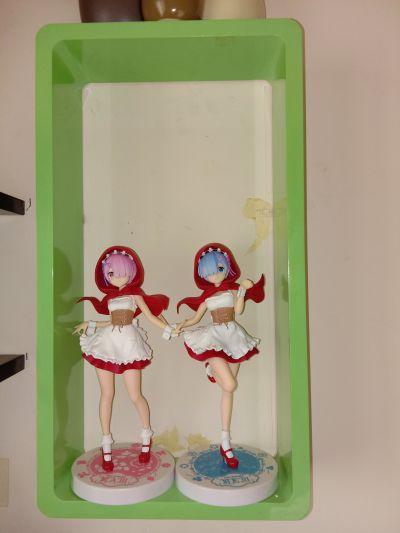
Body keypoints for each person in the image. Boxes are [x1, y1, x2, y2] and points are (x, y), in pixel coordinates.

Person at [73, 245, 171, 472]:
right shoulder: (109, 297)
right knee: (106, 394)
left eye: (122, 272)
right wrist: (91, 324)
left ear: (131, 272)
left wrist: (168, 328)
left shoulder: (135, 294)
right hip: (107, 342)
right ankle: (106, 443)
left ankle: (146, 436)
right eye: (111, 273)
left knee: (135, 395)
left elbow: (150, 315)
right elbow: (111, 321)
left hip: (128, 344)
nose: (117, 277)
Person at [175, 243, 265, 468]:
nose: (214, 275)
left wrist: (242, 291)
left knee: (227, 390)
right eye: (208, 272)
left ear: (227, 268)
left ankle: (225, 441)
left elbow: (239, 310)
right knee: (230, 384)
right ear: (202, 275)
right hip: (214, 337)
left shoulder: (230, 291)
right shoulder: (207, 297)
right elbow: (196, 318)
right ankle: (211, 366)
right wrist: (182, 325)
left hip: (233, 337)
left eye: (219, 269)